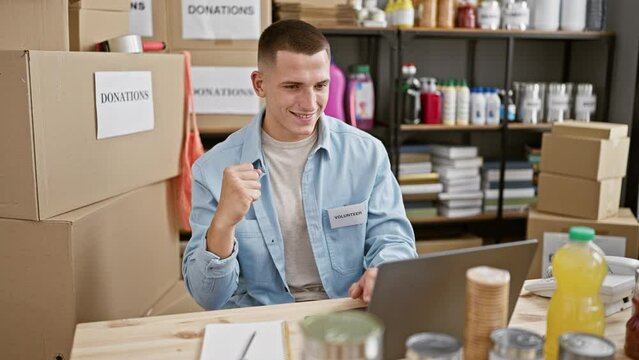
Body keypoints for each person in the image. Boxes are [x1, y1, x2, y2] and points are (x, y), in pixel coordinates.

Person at [182, 19, 416, 310]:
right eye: (293, 86)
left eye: (320, 86)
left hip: (346, 309)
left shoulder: (367, 153)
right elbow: (208, 298)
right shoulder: (212, 169)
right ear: (259, 84)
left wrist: (384, 271)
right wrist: (223, 223)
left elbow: (392, 240)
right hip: (260, 317)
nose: (310, 104)